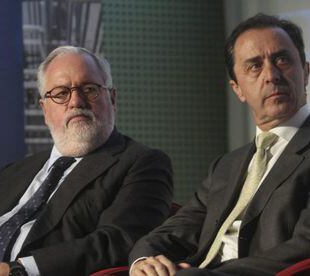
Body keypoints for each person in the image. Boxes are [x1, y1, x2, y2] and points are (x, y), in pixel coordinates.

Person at [0, 46, 173, 276]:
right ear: (45, 109)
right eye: (61, 93)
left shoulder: (141, 163)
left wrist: (12, 271)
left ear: (112, 97)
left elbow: (119, 240)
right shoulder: (12, 173)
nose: (76, 102)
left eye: (89, 89)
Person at [129, 13, 310, 276]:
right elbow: (174, 231)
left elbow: (304, 247)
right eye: (254, 66)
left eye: (282, 59)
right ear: (237, 89)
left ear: (305, 71)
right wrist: (144, 261)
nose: (271, 75)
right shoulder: (226, 166)